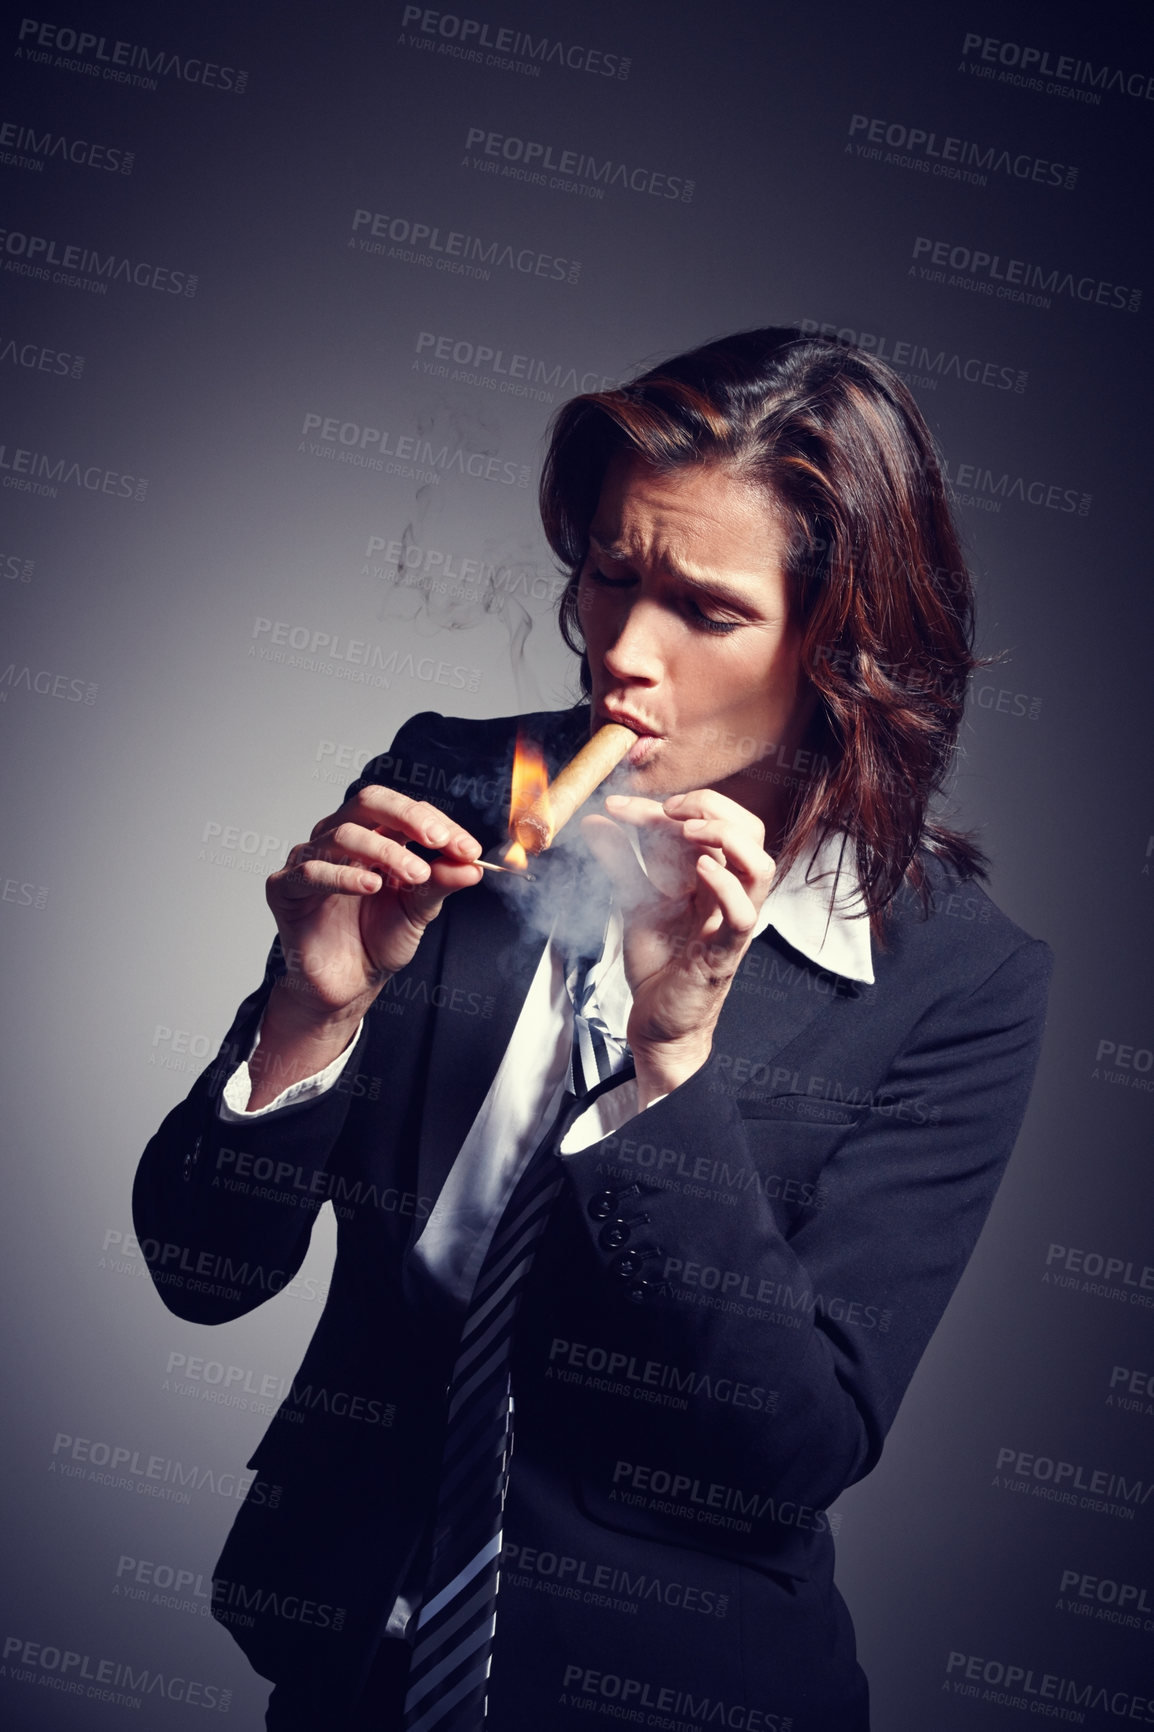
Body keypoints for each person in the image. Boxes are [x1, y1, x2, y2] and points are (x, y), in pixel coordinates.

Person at [133, 327, 1053, 1730]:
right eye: (609, 577)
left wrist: (671, 1067)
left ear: (844, 641)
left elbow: (784, 1455)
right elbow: (200, 1271)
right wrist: (312, 1012)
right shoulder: (452, 781)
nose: (623, 653)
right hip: (346, 1659)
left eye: (707, 609)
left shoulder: (954, 980)